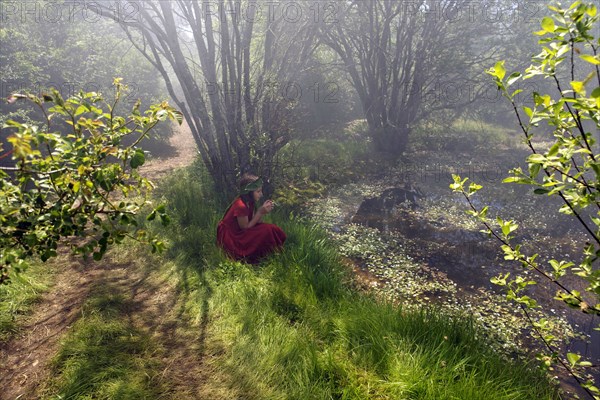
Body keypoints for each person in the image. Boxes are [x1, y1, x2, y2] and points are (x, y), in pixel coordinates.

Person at [216, 174, 287, 263]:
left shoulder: (250, 202)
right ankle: (258, 256)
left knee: (269, 228)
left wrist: (263, 211)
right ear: (249, 192)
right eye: (258, 191)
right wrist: (260, 212)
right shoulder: (241, 205)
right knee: (266, 230)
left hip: (241, 231)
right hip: (232, 237)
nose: (261, 194)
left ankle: (273, 252)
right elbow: (245, 228)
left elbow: (254, 221)